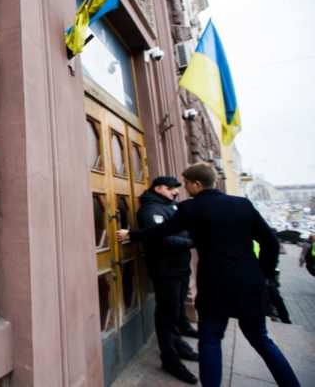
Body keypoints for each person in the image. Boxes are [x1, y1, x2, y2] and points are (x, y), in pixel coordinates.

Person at [116, 162, 300, 387]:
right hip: (250, 281)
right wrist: (264, 273)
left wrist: (131, 234)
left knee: (211, 340)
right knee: (261, 339)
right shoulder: (242, 204)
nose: (184, 188)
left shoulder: (191, 208)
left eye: (186, 183)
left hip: (215, 284)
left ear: (196, 184)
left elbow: (163, 231)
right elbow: (270, 242)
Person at [137, 176, 199, 384]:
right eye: (170, 188)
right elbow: (161, 240)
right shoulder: (151, 210)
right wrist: (191, 242)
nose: (175, 191)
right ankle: (170, 358)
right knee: (167, 314)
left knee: (176, 311)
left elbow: (184, 230)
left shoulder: (171, 206)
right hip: (165, 270)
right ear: (158, 188)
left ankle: (178, 344)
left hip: (180, 267)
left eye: (176, 188)